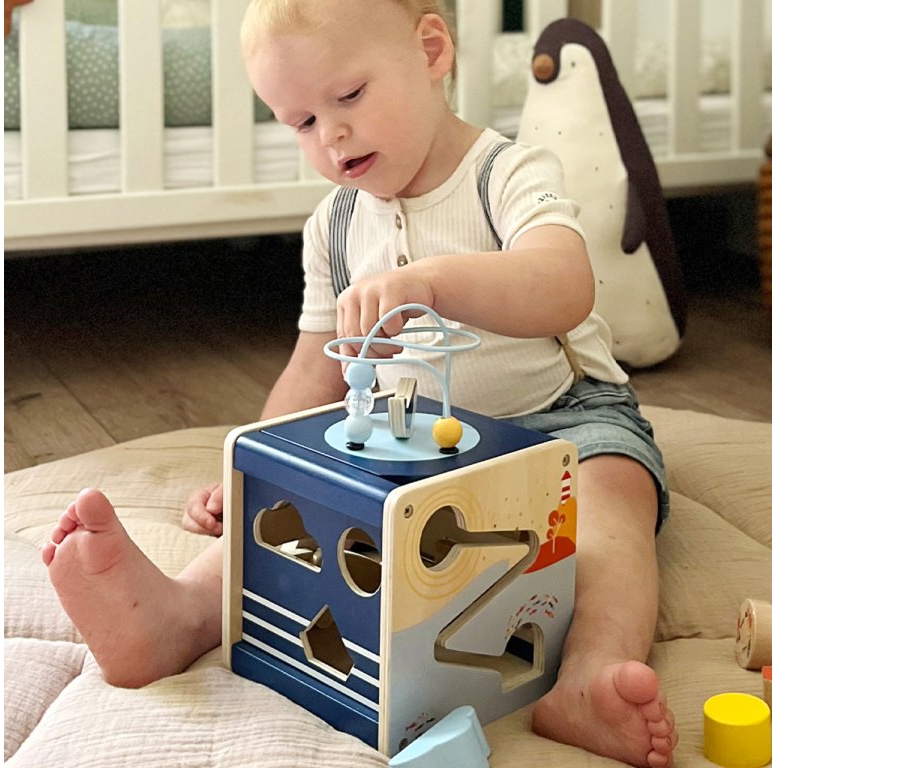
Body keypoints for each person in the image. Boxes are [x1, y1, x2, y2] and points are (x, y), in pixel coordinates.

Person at [41, 1, 678, 766]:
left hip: (557, 421)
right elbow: (315, 366)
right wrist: (248, 466)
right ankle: (177, 616)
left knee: (611, 509)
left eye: (348, 97)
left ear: (431, 51)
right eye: (302, 122)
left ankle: (590, 675)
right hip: (400, 444)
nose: (331, 135)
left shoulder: (506, 172)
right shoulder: (335, 226)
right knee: (291, 517)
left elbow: (564, 283)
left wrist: (434, 283)